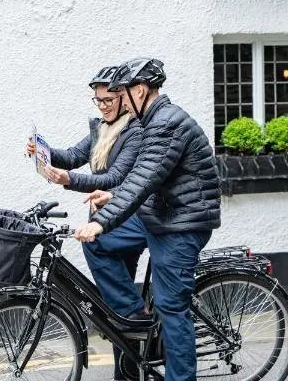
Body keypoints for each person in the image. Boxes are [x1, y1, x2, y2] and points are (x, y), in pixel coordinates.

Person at [74, 58, 221, 381]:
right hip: (163, 214)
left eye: (123, 94)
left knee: (171, 308)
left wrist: (101, 220)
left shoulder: (167, 123)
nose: (120, 102)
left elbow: (142, 180)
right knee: (102, 244)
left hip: (182, 224)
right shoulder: (153, 121)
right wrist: (112, 198)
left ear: (140, 91)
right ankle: (132, 316)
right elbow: (147, 178)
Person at [27, 65, 144, 381]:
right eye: (98, 101)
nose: (103, 106)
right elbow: (70, 156)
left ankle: (136, 315)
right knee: (115, 309)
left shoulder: (134, 132)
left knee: (96, 245)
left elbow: (113, 178)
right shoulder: (100, 130)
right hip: (110, 218)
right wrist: (43, 151)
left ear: (123, 98)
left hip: (132, 218)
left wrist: (69, 181)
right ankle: (128, 371)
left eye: (108, 100)